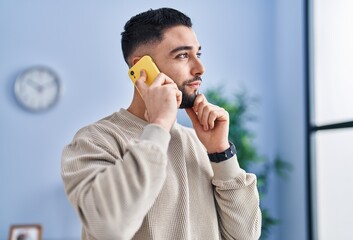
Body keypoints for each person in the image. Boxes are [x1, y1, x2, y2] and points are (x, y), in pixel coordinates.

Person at [61, 7, 261, 240]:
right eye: (182, 55)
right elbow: (109, 229)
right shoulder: (94, 141)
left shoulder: (200, 143)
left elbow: (245, 236)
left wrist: (220, 153)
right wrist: (158, 125)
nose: (200, 68)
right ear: (141, 69)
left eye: (198, 54)